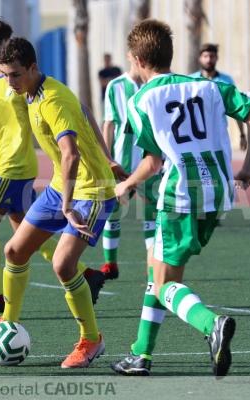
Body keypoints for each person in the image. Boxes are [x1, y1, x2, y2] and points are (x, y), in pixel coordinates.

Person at [110, 19, 250, 377]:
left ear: (136, 59)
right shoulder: (210, 86)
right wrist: (249, 166)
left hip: (179, 195)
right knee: (160, 273)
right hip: (218, 194)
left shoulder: (140, 101)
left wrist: (126, 184)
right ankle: (140, 354)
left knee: (163, 284)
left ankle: (211, 324)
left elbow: (153, 161)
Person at [0, 37, 122, 368]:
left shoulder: (53, 100)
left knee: (63, 265)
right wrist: (108, 157)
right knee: (14, 250)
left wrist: (68, 204)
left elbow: (71, 153)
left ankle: (91, 340)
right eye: (5, 75)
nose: (9, 82)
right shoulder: (30, 90)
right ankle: (5, 323)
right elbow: (85, 110)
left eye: (15, 75)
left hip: (90, 190)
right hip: (59, 187)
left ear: (33, 68)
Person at [0, 18, 106, 314]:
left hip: (17, 169)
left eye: (1, 42)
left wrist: (105, 153)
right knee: (22, 241)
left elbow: (76, 117)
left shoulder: (32, 86)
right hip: (25, 173)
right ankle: (88, 274)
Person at [98, 51, 160, 280]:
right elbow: (109, 123)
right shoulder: (115, 86)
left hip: (149, 161)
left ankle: (152, 266)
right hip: (122, 161)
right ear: (131, 56)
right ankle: (110, 263)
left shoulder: (154, 84)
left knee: (151, 213)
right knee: (113, 210)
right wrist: (108, 159)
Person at [190, 43, 247, 152]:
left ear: (216, 58)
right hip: (196, 136)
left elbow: (236, 108)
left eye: (212, 56)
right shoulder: (191, 80)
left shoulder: (226, 80)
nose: (208, 60)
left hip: (219, 136)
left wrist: (242, 134)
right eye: (205, 56)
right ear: (200, 58)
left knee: (222, 167)